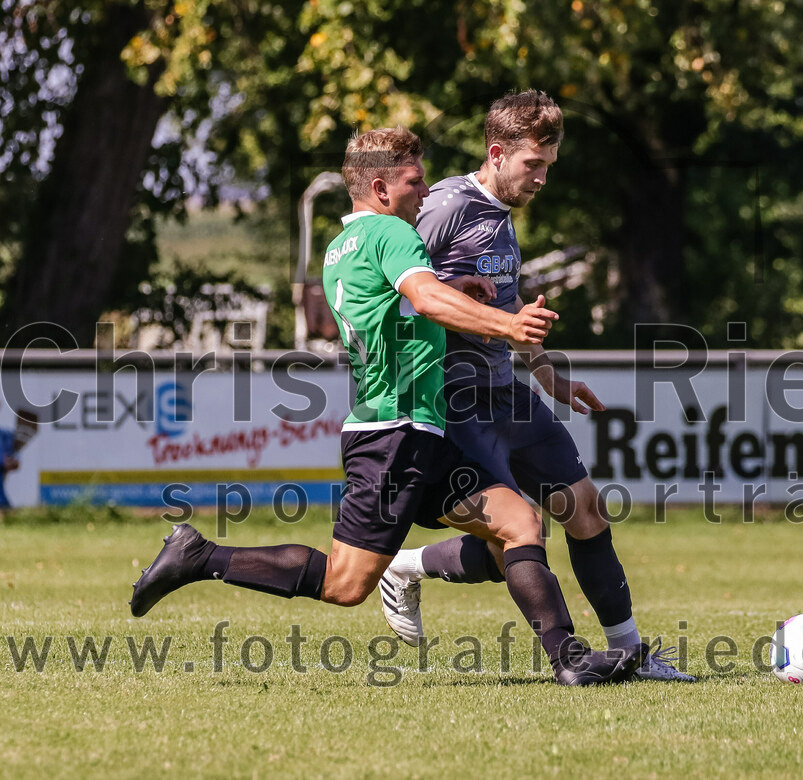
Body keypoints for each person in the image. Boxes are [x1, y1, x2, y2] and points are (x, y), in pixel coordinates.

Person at [130, 127, 642, 687]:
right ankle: (200, 556)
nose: (425, 192)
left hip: (421, 430)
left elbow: (405, 307)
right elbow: (421, 295)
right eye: (414, 180)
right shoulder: (392, 234)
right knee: (346, 586)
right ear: (379, 187)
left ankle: (570, 662)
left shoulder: (342, 246)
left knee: (519, 524)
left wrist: (457, 291)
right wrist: (508, 324)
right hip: (392, 437)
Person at [377, 92, 693, 682]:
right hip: (453, 398)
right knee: (518, 536)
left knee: (586, 509)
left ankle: (631, 653)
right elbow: (397, 289)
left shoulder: (500, 216)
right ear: (497, 154)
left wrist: (548, 371)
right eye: (534, 165)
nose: (543, 177)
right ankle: (411, 567)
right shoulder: (443, 205)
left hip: (507, 389)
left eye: (549, 164)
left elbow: (507, 303)